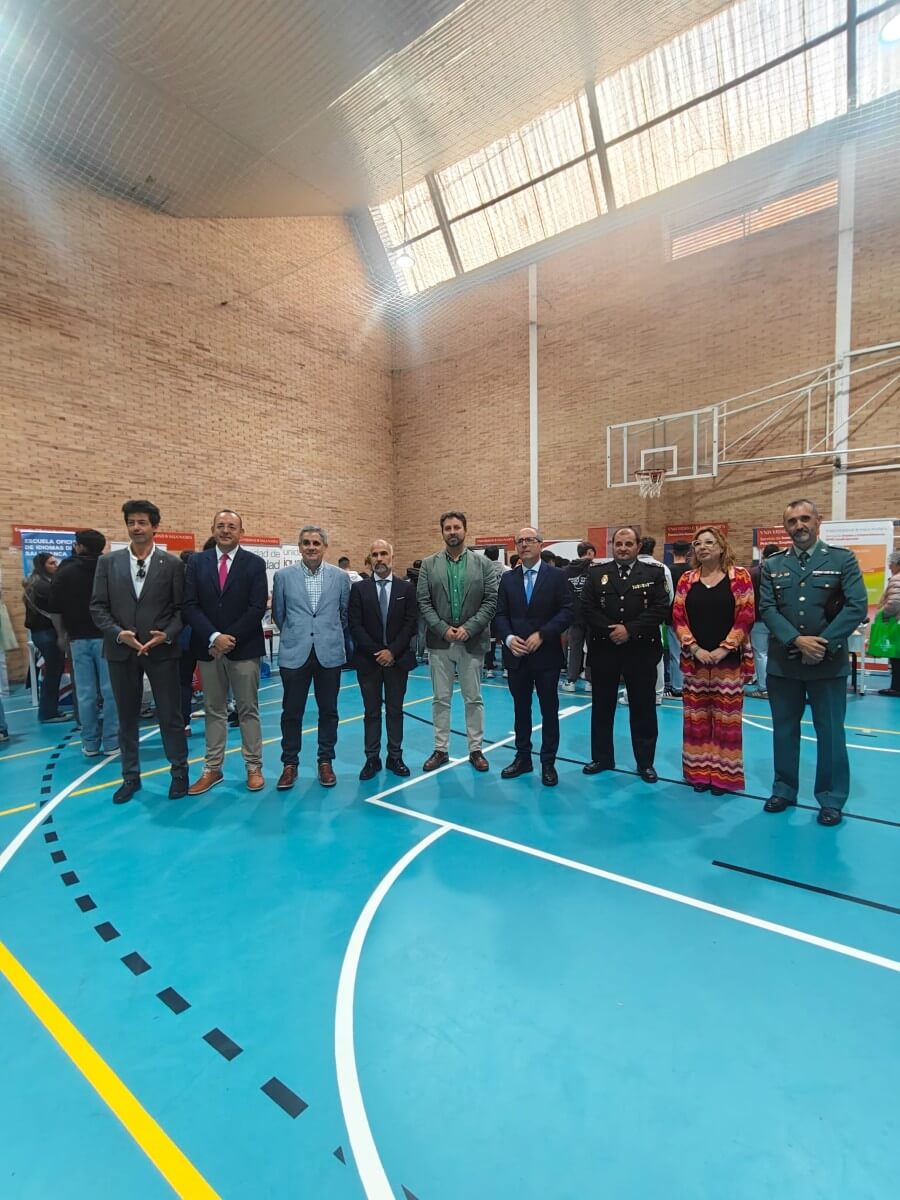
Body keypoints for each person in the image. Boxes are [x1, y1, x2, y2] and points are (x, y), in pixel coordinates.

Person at [759, 498, 868, 826]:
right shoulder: (773, 565)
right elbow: (767, 609)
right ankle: (784, 789)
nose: (799, 526)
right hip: (785, 663)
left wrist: (823, 644)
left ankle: (832, 797)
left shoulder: (842, 559)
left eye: (805, 519)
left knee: (831, 732)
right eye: (792, 521)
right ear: (786, 527)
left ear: (818, 522)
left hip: (828, 662)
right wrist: (797, 640)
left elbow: (856, 605)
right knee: (784, 730)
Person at [90, 500, 189, 804]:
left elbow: (181, 610)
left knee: (170, 716)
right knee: (126, 717)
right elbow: (98, 606)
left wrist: (167, 634)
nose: (136, 527)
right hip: (121, 651)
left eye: (142, 522)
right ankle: (130, 777)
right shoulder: (108, 563)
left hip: (161, 652)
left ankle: (179, 773)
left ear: (155, 526)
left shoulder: (172, 565)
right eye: (131, 522)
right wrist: (118, 633)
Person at [183, 510, 268, 794]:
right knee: (213, 710)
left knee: (247, 710)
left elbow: (257, 607)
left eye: (232, 526)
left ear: (241, 532)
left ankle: (253, 766)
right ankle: (212, 768)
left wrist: (230, 638)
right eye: (221, 525)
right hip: (209, 648)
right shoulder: (197, 562)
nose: (226, 530)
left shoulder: (254, 564)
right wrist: (214, 636)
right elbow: (190, 605)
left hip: (244, 648)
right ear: (213, 529)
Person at [580, 526, 669, 782]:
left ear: (638, 547)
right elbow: (587, 608)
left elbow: (661, 608)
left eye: (628, 544)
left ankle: (645, 762)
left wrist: (629, 630)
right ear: (612, 546)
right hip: (605, 649)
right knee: (602, 707)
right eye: (618, 544)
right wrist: (612, 630)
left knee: (643, 709)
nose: (623, 548)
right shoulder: (596, 573)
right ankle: (602, 757)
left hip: (640, 650)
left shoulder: (653, 573)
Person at [672, 528, 755, 794]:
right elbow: (678, 617)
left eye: (709, 542)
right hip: (695, 662)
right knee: (696, 720)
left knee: (726, 721)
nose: (702, 547)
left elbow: (746, 616)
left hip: (728, 663)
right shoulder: (687, 579)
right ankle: (697, 773)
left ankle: (723, 776)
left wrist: (724, 649)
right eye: (698, 543)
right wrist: (694, 648)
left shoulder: (740, 577)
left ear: (721, 546)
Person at [416, 511, 498, 772]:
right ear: (442, 532)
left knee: (473, 698)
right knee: (440, 699)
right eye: (448, 528)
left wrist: (468, 628)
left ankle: (476, 749)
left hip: (471, 642)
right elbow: (424, 602)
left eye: (456, 527)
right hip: (440, 643)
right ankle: (440, 749)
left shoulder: (483, 564)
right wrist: (442, 629)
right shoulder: (429, 565)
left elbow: (491, 601)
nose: (452, 532)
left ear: (465, 530)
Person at [272, 525, 350, 790]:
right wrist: (299, 634)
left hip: (329, 653)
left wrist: (324, 633)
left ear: (325, 547)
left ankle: (325, 761)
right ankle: (289, 764)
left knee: (329, 711)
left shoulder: (340, 577)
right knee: (291, 712)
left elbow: (344, 614)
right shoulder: (283, 577)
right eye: (306, 543)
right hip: (295, 652)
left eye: (316, 543)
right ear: (299, 547)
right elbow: (279, 614)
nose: (311, 547)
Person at [495, 527, 573, 787]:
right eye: (520, 541)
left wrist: (543, 634)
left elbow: (567, 611)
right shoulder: (508, 579)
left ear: (541, 544)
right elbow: (500, 615)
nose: (524, 544)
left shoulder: (557, 576)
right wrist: (508, 639)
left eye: (529, 540)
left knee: (549, 710)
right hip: (517, 656)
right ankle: (523, 758)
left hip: (546, 655)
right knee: (521, 710)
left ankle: (548, 762)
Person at [348, 539, 418, 779]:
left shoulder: (406, 589)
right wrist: (377, 652)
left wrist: (392, 652)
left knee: (395, 711)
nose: (379, 558)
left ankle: (395, 756)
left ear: (392, 557)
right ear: (370, 559)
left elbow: (411, 623)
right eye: (375, 554)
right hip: (369, 662)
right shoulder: (359, 589)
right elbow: (355, 624)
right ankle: (372, 758)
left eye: (383, 554)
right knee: (371, 712)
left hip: (398, 661)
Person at [49, 529, 119, 757]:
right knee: (111, 692)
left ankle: (90, 743)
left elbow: (55, 607)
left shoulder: (65, 570)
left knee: (85, 694)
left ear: (79, 546)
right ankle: (111, 742)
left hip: (78, 638)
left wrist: (61, 634)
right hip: (107, 636)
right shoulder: (110, 567)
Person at [23, 553, 68, 723]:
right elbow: (56, 609)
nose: (56, 565)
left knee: (53, 672)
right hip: (47, 632)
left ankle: (50, 709)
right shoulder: (43, 586)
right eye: (51, 563)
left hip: (40, 633)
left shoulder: (34, 583)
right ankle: (48, 712)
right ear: (42, 566)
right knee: (53, 672)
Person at [639, 536, 674, 706]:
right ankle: (657, 694)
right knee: (656, 658)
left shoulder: (629, 567)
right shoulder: (663, 568)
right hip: (654, 621)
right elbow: (669, 596)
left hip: (632, 622)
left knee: (632, 659)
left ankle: (632, 695)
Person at [747, 544, 780, 698]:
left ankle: (764, 687)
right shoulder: (782, 571)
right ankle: (777, 686)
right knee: (777, 653)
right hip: (778, 619)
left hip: (758, 618)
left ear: (763, 555)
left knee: (760, 653)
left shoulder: (753, 573)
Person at [562, 541, 595, 694]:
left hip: (573, 615)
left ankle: (571, 681)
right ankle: (590, 682)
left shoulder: (566, 571)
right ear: (590, 552)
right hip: (592, 616)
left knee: (574, 649)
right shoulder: (595, 569)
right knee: (592, 649)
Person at [665, 540, 692, 697]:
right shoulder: (694, 571)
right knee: (691, 652)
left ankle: (677, 687)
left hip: (674, 618)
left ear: (672, 552)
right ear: (688, 552)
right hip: (691, 617)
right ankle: (689, 685)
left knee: (675, 654)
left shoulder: (668, 571)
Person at [875, 550, 900, 697]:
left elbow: (895, 603)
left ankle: (896, 687)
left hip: (896, 624)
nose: (889, 566)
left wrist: (881, 614)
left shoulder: (897, 579)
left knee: (896, 657)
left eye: (891, 563)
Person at [481, 546, 509, 678]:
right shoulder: (507, 570)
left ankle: (489, 668)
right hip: (504, 608)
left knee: (490, 638)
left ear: (485, 555)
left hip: (488, 608)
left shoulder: (482, 571)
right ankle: (506, 668)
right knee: (505, 638)